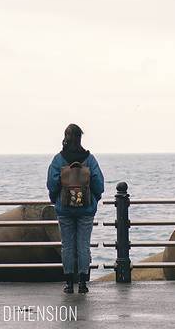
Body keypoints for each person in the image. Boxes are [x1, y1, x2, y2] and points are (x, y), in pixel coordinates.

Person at [46, 124, 104, 294]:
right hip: (86, 209)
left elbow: (51, 184)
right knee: (84, 245)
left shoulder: (58, 160)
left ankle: (69, 283)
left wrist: (56, 199)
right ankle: (84, 283)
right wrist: (93, 199)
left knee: (68, 246)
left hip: (64, 209)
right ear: (80, 137)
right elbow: (99, 184)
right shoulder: (89, 159)